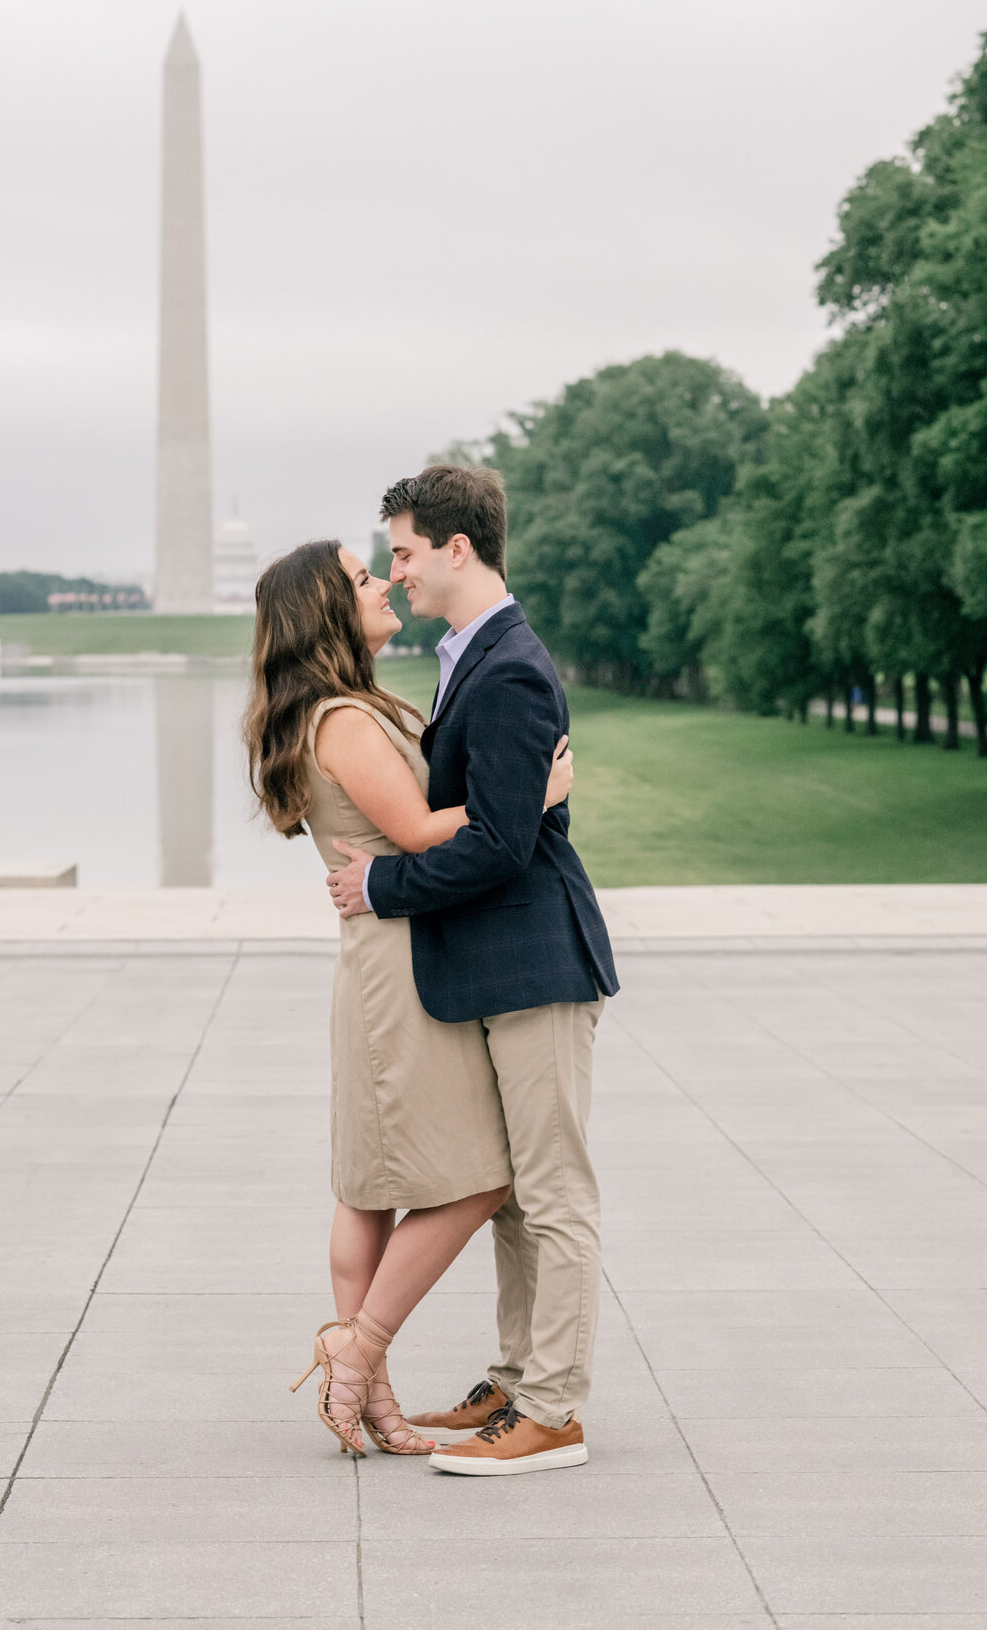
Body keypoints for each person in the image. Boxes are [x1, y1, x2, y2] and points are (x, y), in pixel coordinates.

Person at [244, 539, 574, 1458]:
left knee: (370, 1185)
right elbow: (422, 829)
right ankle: (360, 1347)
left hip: (390, 955)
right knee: (480, 1174)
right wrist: (528, 794)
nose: (385, 580)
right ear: (326, 615)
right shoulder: (343, 717)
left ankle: (368, 1395)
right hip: (401, 965)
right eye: (361, 578)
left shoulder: (339, 707)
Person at [327, 465, 619, 1476]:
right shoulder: (471, 656)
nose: (395, 571)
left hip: (535, 958)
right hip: (495, 966)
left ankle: (555, 1411)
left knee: (554, 1190)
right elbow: (516, 808)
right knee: (512, 1196)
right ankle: (517, 1378)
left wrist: (381, 888)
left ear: (458, 548)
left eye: (404, 552)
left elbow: (502, 840)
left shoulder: (509, 667)